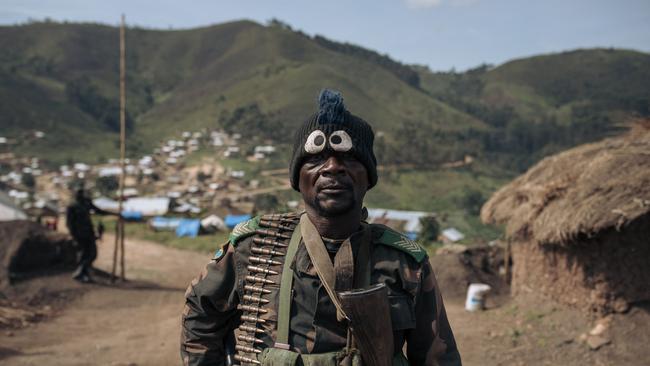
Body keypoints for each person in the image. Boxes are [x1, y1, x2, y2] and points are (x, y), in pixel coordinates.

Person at [181, 90, 461, 366]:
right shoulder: (253, 248)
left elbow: (439, 356)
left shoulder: (405, 262)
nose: (332, 168)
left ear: (368, 177)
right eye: (316, 159)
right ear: (297, 177)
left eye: (349, 158)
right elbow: (201, 314)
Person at [66, 187, 116, 283]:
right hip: (79, 234)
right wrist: (74, 236)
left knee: (92, 254)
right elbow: (69, 223)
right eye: (79, 194)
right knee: (84, 254)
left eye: (82, 193)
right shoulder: (72, 207)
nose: (81, 196)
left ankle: (82, 272)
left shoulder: (86, 203)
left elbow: (98, 211)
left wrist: (114, 213)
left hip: (89, 232)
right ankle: (81, 273)